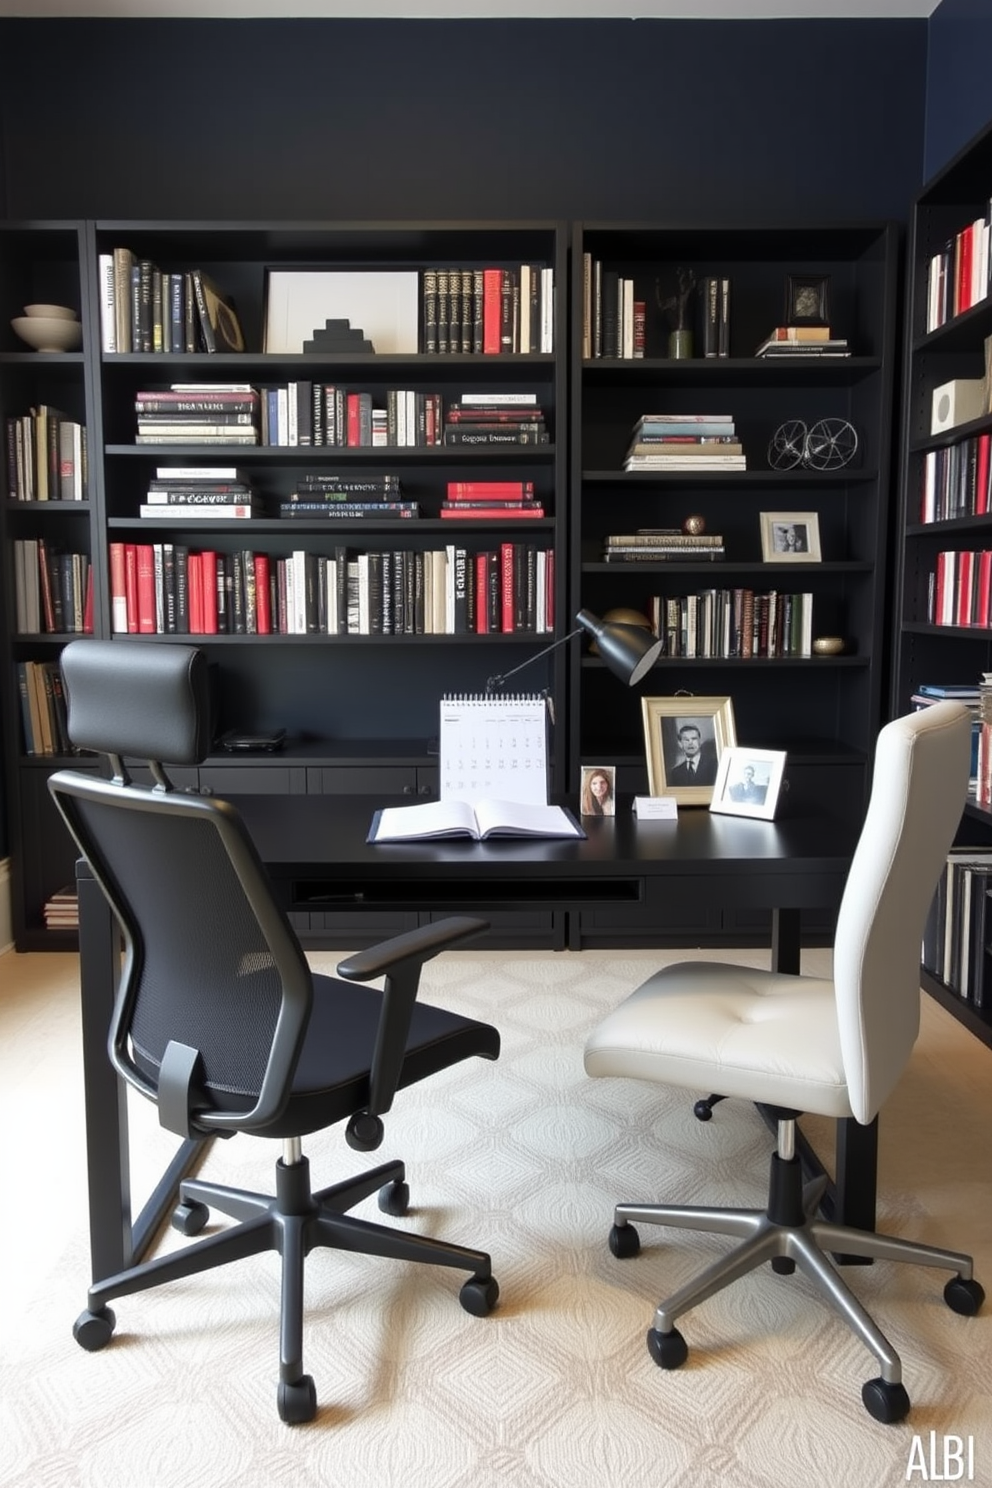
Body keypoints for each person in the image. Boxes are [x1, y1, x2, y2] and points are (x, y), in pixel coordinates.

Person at [666, 721, 718, 786]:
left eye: (694, 739)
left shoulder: (714, 765)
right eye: (686, 740)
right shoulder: (675, 772)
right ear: (680, 744)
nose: (690, 743)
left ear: (700, 741)